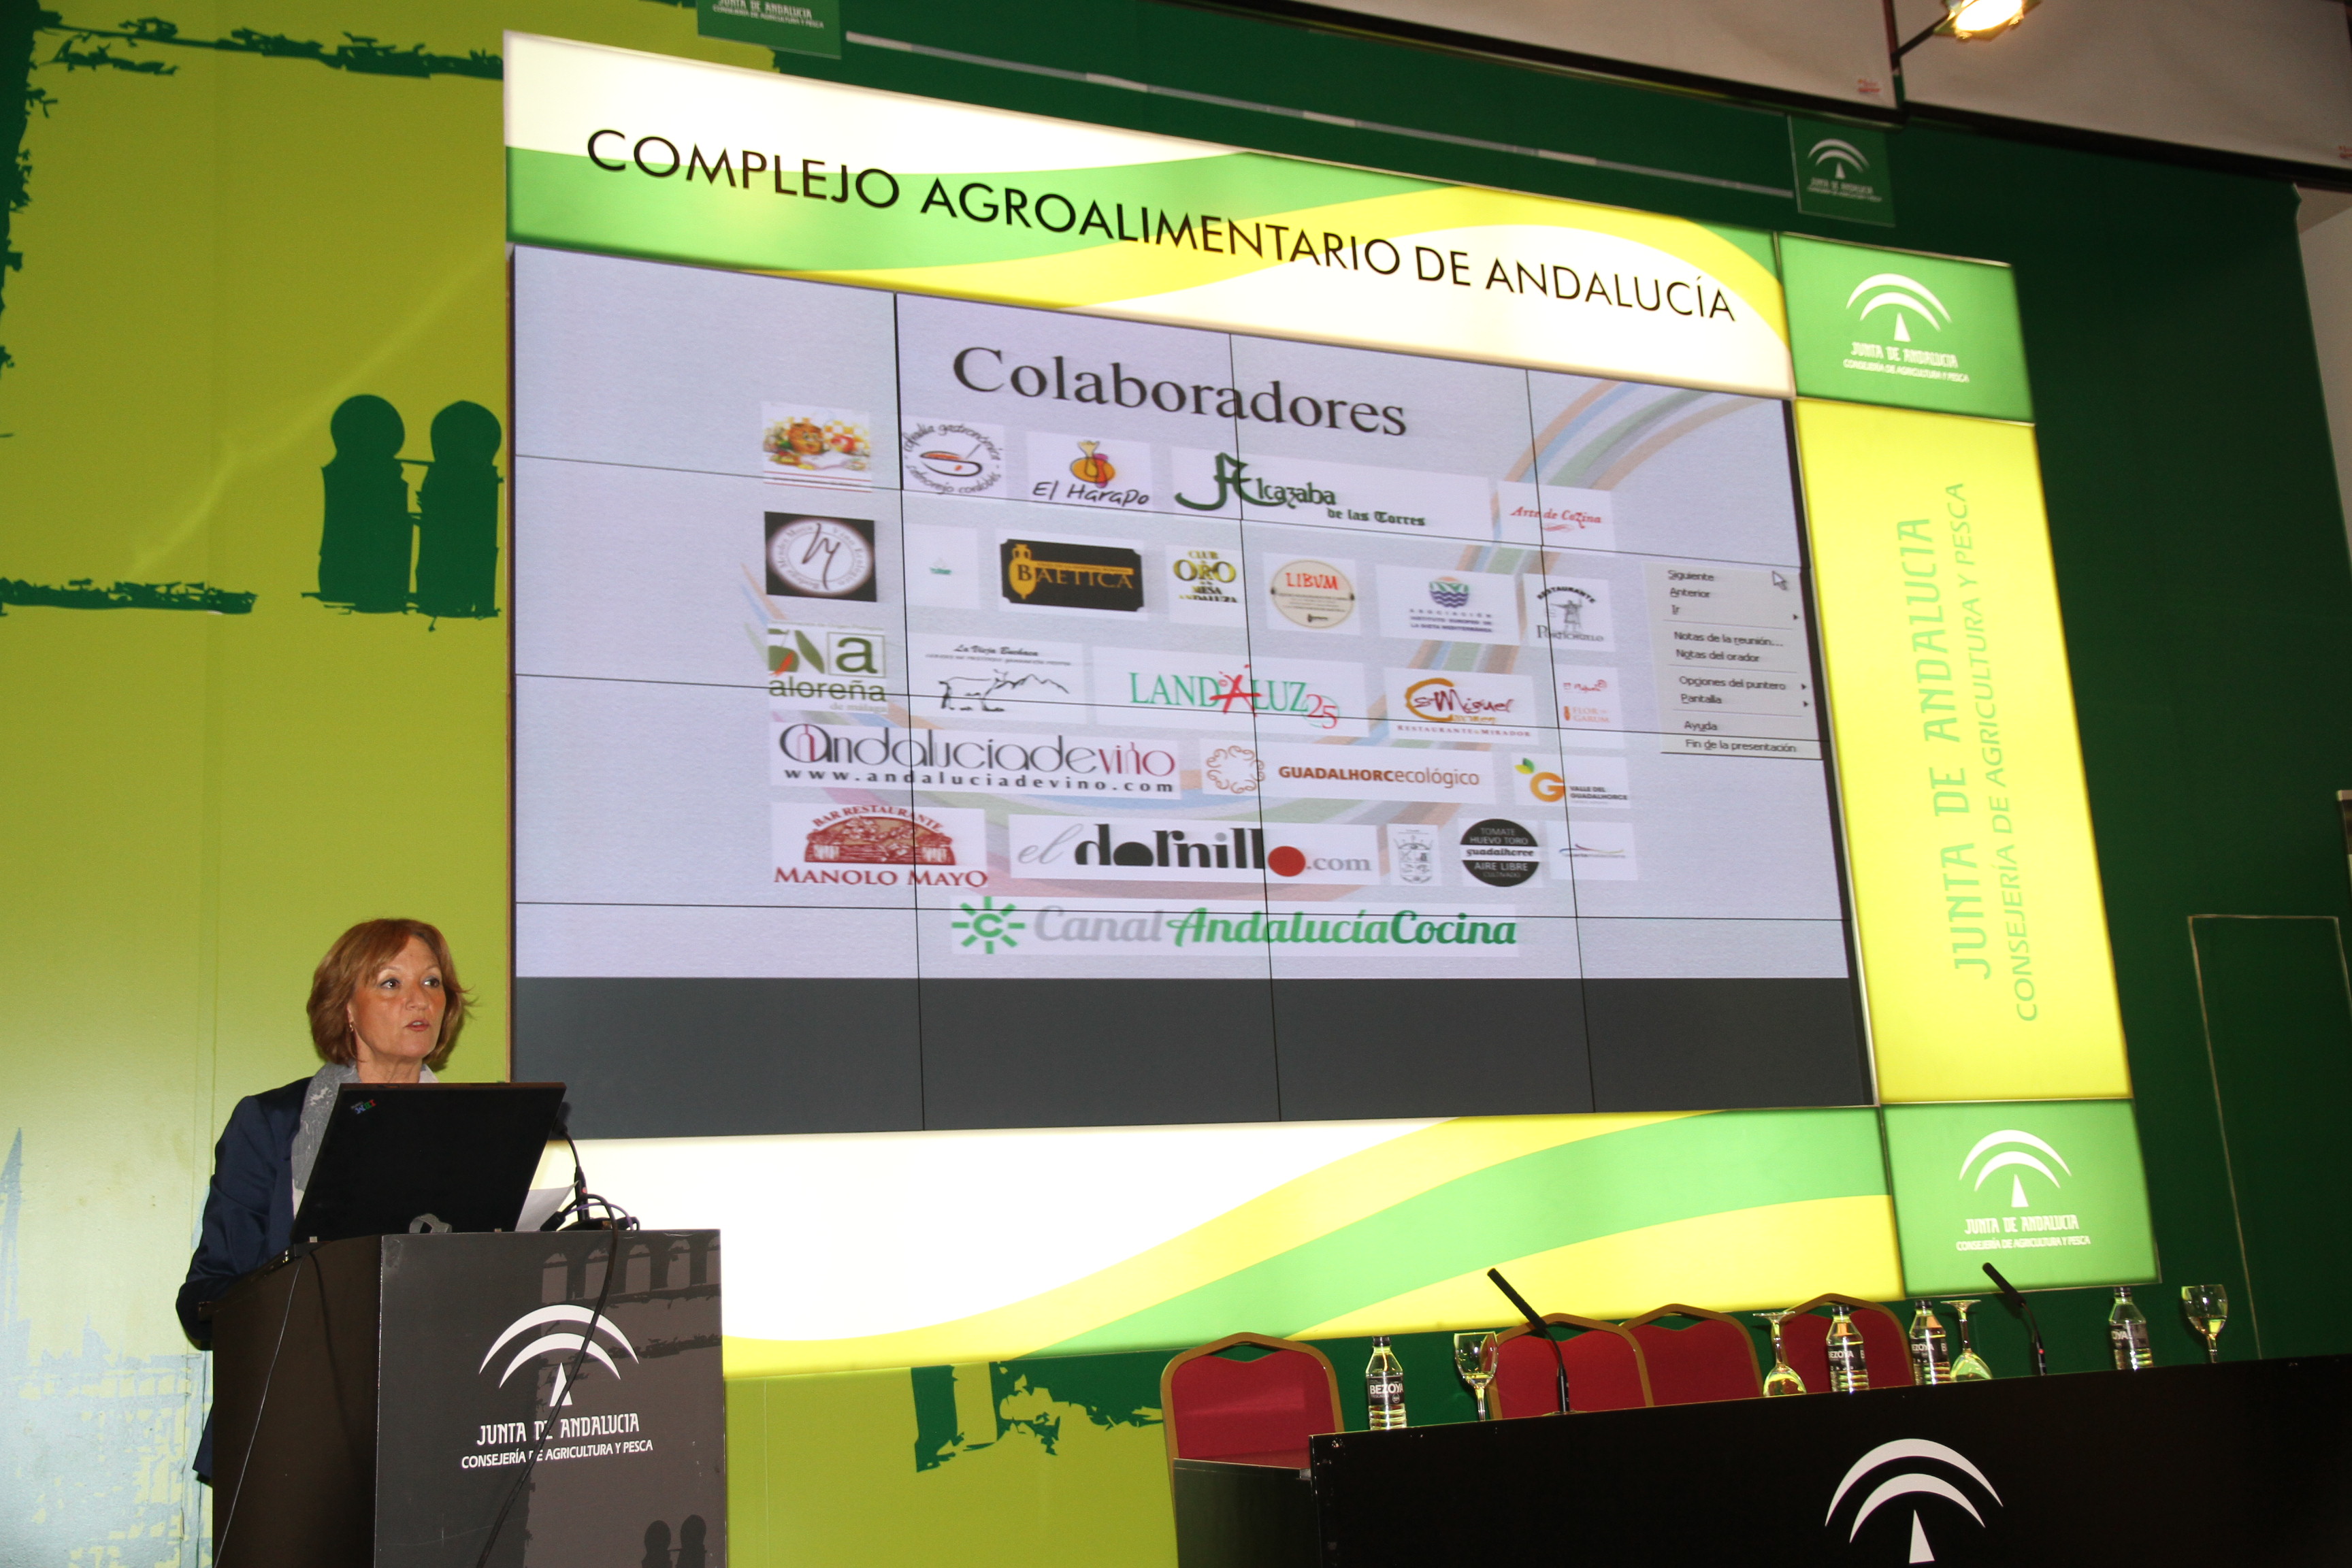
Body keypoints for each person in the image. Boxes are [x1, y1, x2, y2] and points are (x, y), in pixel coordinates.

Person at [176, 917, 472, 1482]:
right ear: (346, 1008)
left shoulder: (477, 1132)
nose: (419, 1000)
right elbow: (204, 1299)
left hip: (438, 1429)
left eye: (432, 982)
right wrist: (301, 1291)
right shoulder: (271, 1124)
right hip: (294, 1430)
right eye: (391, 983)